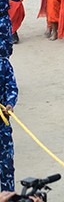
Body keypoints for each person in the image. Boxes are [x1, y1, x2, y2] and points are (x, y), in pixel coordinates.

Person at [0, 57, 18, 192]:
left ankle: (8, 200)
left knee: (6, 166)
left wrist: (10, 104)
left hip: (2, 125)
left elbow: (11, 87)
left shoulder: (3, 63)